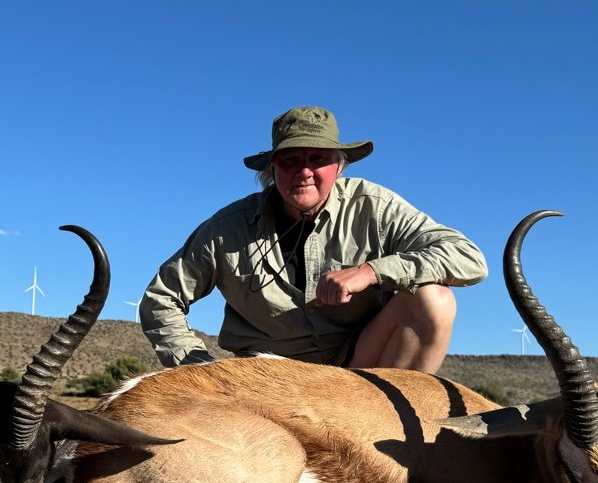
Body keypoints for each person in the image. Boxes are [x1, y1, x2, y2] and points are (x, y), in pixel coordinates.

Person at [141, 105, 487, 372]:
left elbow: (468, 258)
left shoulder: (375, 206)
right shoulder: (225, 229)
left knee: (434, 300)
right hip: (268, 376)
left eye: (317, 159)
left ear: (338, 165)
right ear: (271, 169)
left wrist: (370, 272)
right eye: (290, 160)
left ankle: (386, 437)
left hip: (357, 364)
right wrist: (201, 370)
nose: (303, 171)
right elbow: (161, 300)